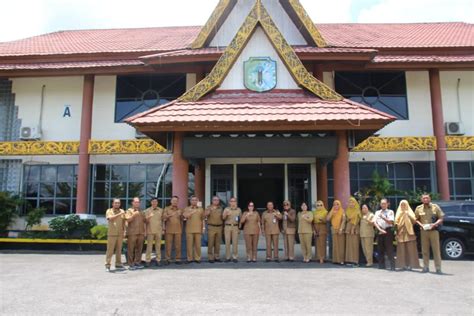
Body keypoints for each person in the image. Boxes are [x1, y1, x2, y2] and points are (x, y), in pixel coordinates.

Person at [415, 194, 444, 274]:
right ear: (421, 200)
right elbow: (416, 219)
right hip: (424, 231)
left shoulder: (435, 207)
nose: (425, 200)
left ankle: (438, 268)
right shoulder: (419, 208)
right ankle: (425, 267)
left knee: (436, 250)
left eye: (427, 198)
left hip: (434, 231)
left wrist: (434, 224)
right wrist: (421, 225)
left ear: (430, 198)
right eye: (424, 198)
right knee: (425, 250)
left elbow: (441, 218)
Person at [395, 200, 421, 271]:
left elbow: (414, 221)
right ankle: (402, 265)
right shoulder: (398, 213)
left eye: (404, 205)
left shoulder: (410, 212)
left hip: (409, 233)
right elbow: (395, 222)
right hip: (401, 233)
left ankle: (412, 264)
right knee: (402, 249)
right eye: (402, 205)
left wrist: (408, 215)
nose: (403, 206)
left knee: (410, 249)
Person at [374, 198, 395, 270]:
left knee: (389, 248)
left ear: (387, 204)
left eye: (384, 203)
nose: (383, 205)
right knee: (380, 249)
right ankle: (381, 265)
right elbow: (375, 222)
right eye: (382, 203)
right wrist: (379, 229)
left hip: (388, 231)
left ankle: (392, 266)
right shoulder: (377, 212)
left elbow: (390, 222)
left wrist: (383, 217)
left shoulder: (390, 212)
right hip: (380, 230)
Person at [105, 198, 125, 272]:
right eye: (115, 203)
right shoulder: (109, 211)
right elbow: (110, 218)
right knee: (110, 250)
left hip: (120, 234)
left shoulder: (121, 211)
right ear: (112, 204)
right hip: (112, 234)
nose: (117, 204)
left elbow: (124, 222)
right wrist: (120, 214)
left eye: (118, 203)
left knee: (119, 250)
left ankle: (118, 264)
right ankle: (107, 265)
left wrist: (124, 231)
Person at [183, 196, 205, 264]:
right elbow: (185, 216)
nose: (194, 201)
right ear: (190, 201)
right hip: (189, 229)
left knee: (198, 245)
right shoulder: (187, 208)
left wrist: (203, 228)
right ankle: (189, 258)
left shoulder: (201, 209)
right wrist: (191, 212)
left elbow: (203, 219)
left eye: (195, 200)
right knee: (189, 245)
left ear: (197, 201)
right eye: (192, 200)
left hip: (198, 229)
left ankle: (197, 258)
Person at [125, 197, 146, 270]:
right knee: (131, 249)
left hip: (141, 233)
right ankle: (131, 264)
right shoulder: (129, 211)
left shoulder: (142, 211)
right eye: (135, 202)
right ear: (132, 203)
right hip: (132, 233)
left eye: (138, 202)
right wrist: (134, 214)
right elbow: (128, 219)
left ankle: (137, 262)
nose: (137, 203)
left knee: (139, 249)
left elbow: (145, 221)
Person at [163, 196, 183, 265]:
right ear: (171, 201)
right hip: (169, 229)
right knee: (168, 245)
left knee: (178, 245)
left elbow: (183, 219)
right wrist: (169, 215)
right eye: (173, 200)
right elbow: (164, 217)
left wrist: (181, 215)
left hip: (178, 229)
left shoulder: (180, 209)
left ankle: (178, 259)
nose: (175, 202)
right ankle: (167, 259)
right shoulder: (167, 209)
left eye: (176, 201)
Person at [144, 197, 163, 267]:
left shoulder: (161, 210)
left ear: (157, 203)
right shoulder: (147, 211)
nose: (154, 203)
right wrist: (149, 217)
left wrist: (163, 229)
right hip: (150, 230)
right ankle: (147, 260)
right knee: (149, 247)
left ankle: (158, 260)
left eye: (156, 202)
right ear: (151, 202)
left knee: (158, 246)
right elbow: (145, 221)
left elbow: (162, 220)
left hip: (158, 231)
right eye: (153, 201)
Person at [204, 196, 224, 263]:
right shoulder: (208, 207)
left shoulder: (220, 208)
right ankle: (210, 257)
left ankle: (217, 256)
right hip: (211, 227)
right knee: (211, 243)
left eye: (217, 200)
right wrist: (208, 211)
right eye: (215, 200)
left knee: (218, 243)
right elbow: (204, 215)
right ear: (212, 201)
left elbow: (223, 217)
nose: (216, 201)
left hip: (219, 227)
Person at [222, 197, 242, 263]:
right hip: (227, 227)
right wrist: (226, 214)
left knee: (235, 242)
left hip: (235, 227)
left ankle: (235, 257)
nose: (233, 202)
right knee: (227, 242)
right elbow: (223, 218)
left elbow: (240, 220)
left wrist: (239, 228)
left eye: (234, 201)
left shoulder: (238, 210)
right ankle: (228, 257)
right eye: (231, 201)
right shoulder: (226, 209)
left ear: (236, 202)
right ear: (229, 202)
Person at [327, 200, 345, 265]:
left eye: (337, 204)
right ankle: (336, 260)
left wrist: (341, 228)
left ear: (339, 205)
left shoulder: (342, 211)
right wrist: (332, 212)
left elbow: (343, 221)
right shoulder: (332, 211)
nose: (336, 206)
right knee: (335, 245)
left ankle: (341, 260)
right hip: (334, 230)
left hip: (340, 230)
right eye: (334, 204)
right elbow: (328, 219)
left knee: (341, 245)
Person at [345, 197, 361, 267]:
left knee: (354, 245)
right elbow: (345, 219)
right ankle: (349, 260)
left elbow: (357, 220)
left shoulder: (357, 210)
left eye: (352, 202)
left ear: (355, 203)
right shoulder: (347, 210)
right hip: (348, 228)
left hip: (354, 229)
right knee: (349, 244)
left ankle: (355, 261)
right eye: (350, 202)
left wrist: (353, 228)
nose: (351, 204)